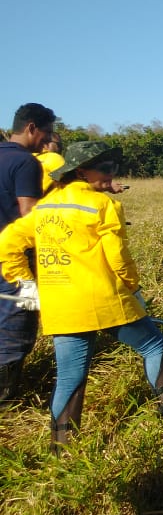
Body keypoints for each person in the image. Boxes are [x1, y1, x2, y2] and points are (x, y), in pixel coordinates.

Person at [0, 141, 163, 450]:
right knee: (156, 346)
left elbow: (7, 243)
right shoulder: (103, 206)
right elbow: (118, 258)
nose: (111, 174)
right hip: (104, 300)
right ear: (82, 172)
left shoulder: (44, 208)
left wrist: (25, 283)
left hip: (61, 307)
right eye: (106, 168)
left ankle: (62, 450)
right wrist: (134, 288)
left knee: (70, 374)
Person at [0, 103, 57, 403]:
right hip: (14, 259)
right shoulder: (26, 163)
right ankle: (6, 400)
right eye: (46, 133)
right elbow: (28, 214)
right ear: (32, 127)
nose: (46, 141)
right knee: (15, 327)